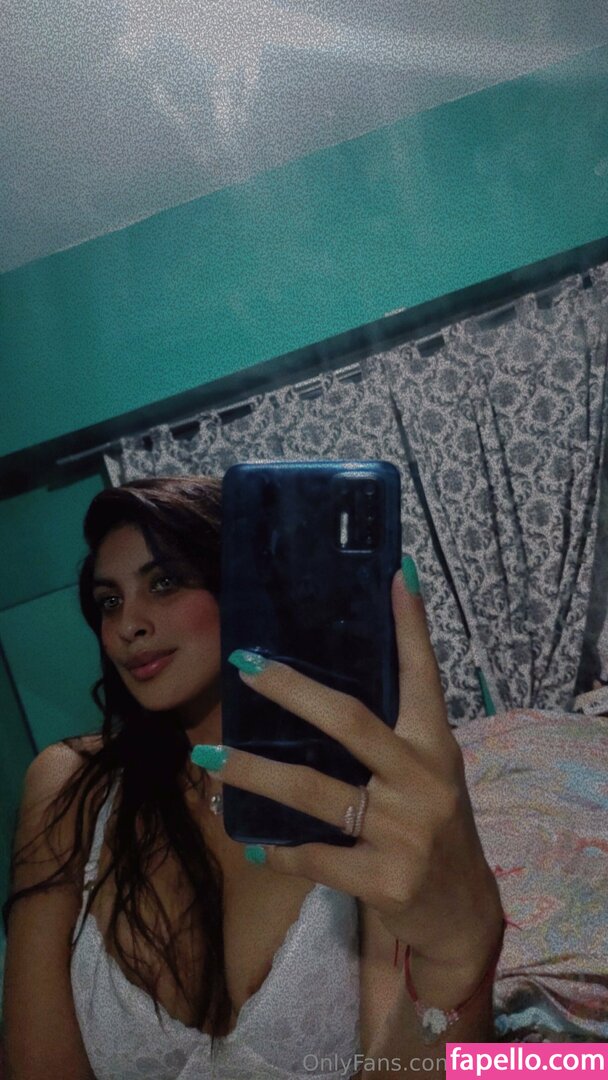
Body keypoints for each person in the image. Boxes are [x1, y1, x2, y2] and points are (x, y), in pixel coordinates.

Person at [2, 475, 505, 1079]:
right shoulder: (68, 782)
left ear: (243, 585)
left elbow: (398, 1065)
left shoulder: (357, 785)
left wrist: (457, 960)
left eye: (164, 583)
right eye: (109, 601)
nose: (127, 624)